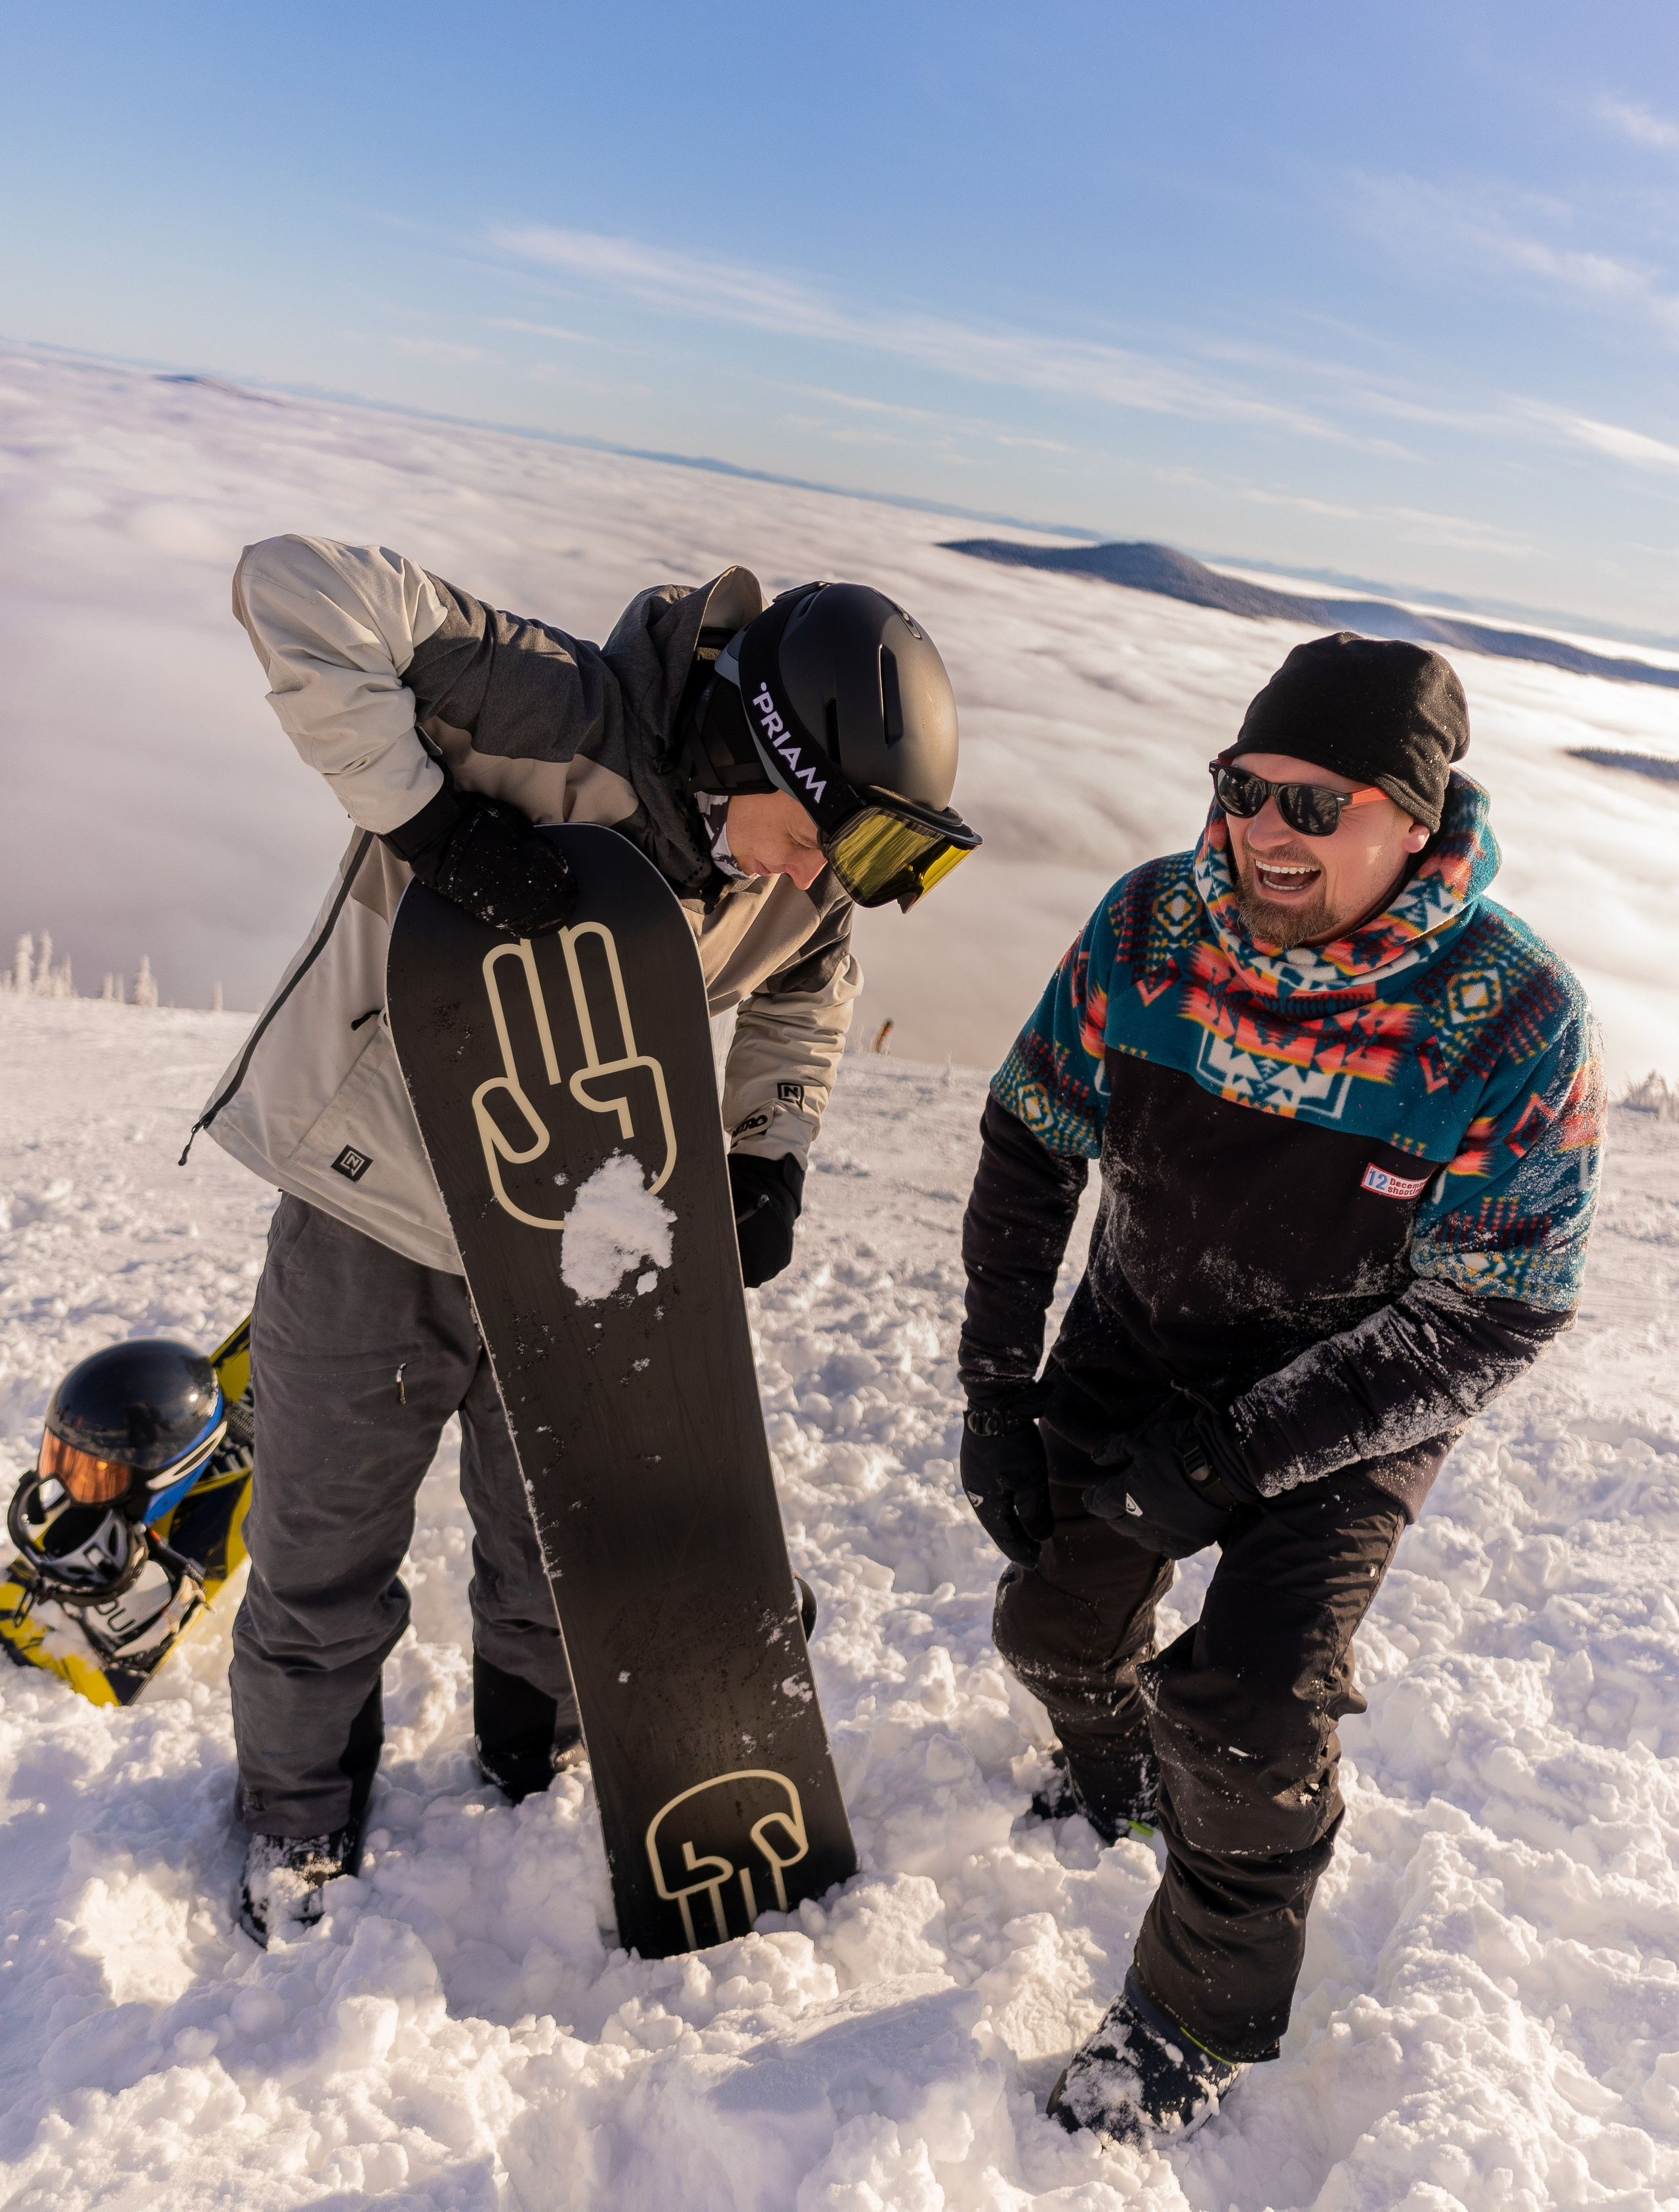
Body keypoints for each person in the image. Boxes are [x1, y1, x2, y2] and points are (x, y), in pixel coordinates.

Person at [186, 535, 979, 1943]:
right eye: (808, 838)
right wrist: (429, 823)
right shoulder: (551, 710)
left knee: (562, 1544)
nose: (809, 879)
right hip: (377, 1215)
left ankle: (531, 1753)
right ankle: (297, 1822)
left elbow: (809, 990)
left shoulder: (790, 877)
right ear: (757, 743)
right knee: (322, 1549)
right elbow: (295, 584)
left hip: (577, 1244)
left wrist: (763, 1150)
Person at [956, 633, 1602, 2145]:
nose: (1261, 830)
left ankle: (1193, 2013)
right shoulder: (1149, 931)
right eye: (1244, 789)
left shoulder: (1503, 1016)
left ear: (1414, 822)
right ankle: (1115, 1775)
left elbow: (1493, 1312)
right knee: (1048, 1623)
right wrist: (998, 1387)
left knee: (1246, 1712)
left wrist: (1233, 1459)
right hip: (1143, 1330)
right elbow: (1030, 1139)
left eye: (1314, 806)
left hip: (1345, 1390)